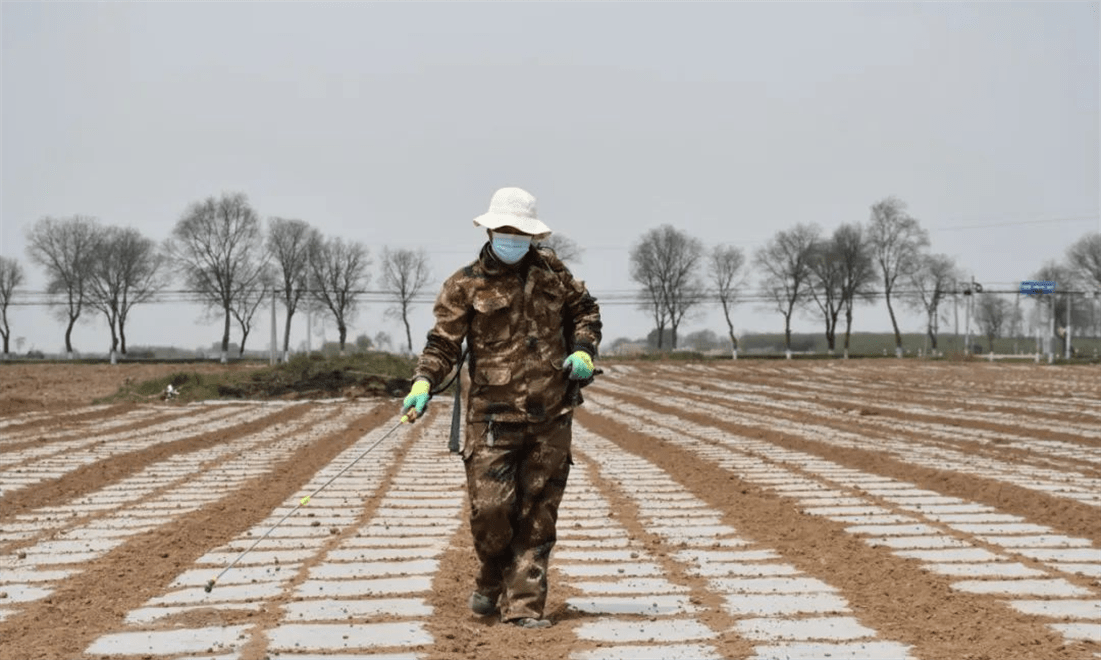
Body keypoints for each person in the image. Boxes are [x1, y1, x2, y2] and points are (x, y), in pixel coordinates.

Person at [401, 186, 602, 629]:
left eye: (520, 232)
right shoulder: (464, 283)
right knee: (491, 514)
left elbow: (587, 312)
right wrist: (422, 382)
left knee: (537, 517)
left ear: (532, 235)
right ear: (491, 229)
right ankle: (492, 574)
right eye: (505, 230)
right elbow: (443, 343)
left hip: (551, 416)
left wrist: (584, 350)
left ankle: (524, 610)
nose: (512, 238)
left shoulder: (555, 275)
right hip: (491, 419)